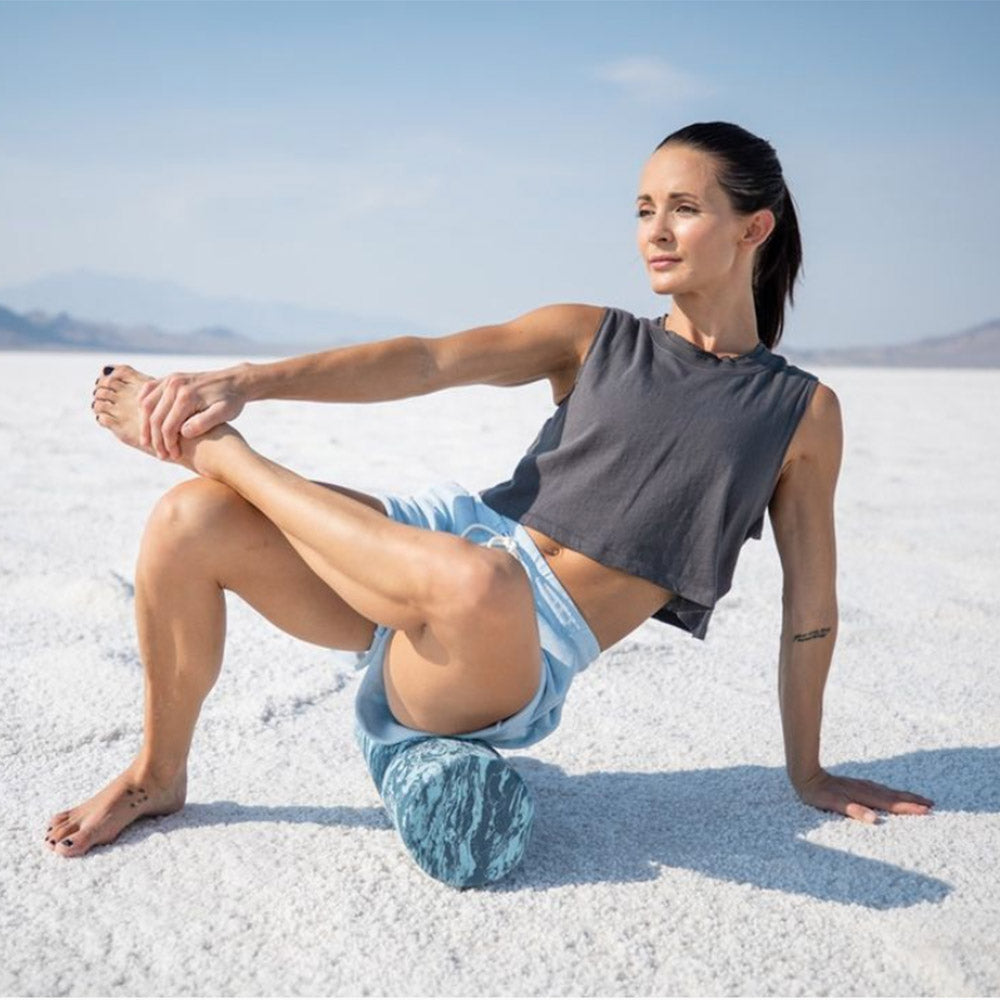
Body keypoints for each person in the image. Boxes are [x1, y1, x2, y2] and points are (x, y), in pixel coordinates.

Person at [45, 121, 934, 858]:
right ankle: (157, 773)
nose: (655, 231)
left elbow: (811, 606)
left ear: (755, 227)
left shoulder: (798, 412)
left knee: (482, 583)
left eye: (685, 209)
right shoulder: (592, 335)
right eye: (643, 209)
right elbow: (428, 360)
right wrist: (252, 378)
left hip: (508, 642)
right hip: (433, 552)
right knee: (188, 521)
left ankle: (223, 456)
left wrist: (808, 772)